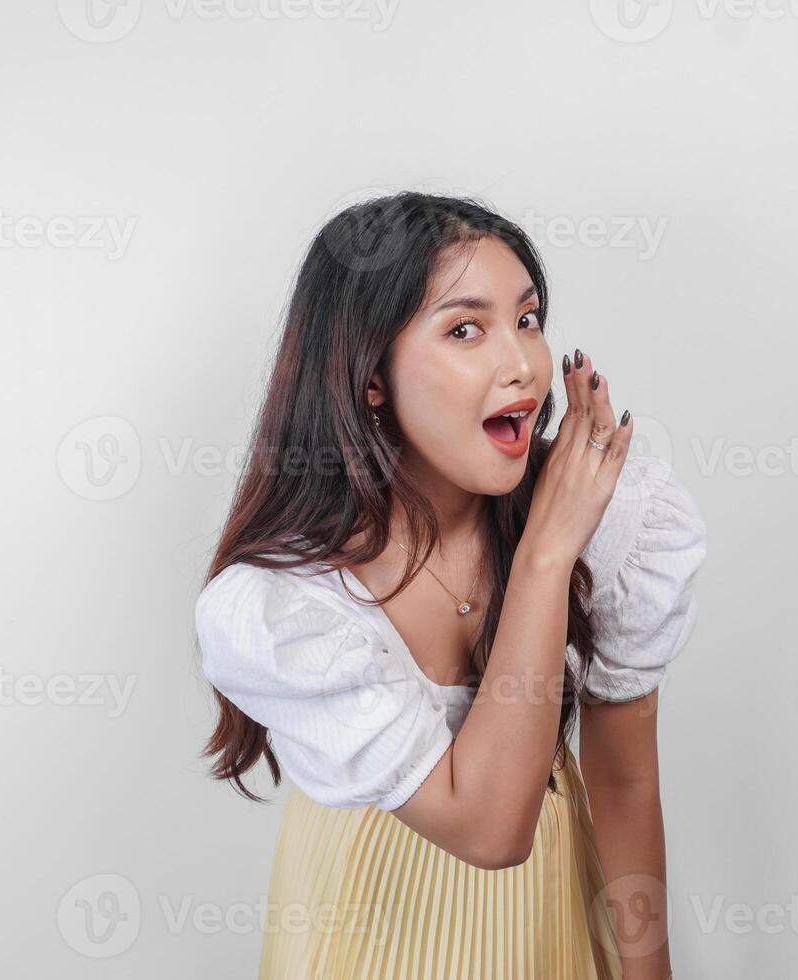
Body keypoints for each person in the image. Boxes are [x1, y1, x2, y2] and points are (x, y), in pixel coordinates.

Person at [193, 191, 706, 979]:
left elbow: (627, 779)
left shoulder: (610, 516)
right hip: (365, 932)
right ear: (371, 379)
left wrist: (650, 975)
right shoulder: (287, 605)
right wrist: (546, 554)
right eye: (466, 329)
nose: (523, 366)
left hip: (547, 924)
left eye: (527, 319)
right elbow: (490, 830)